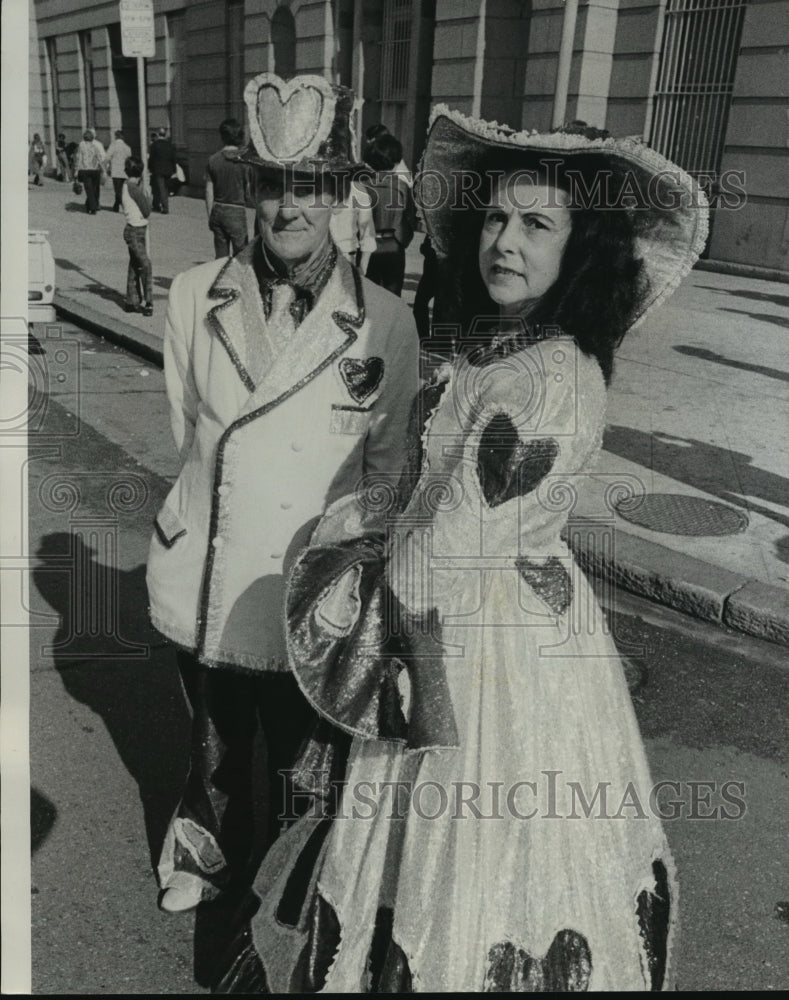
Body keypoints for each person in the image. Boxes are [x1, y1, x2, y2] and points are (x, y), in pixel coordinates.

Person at [219, 109, 710, 992]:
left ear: (581, 246)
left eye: (536, 224)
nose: (505, 242)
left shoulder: (550, 376)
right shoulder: (500, 350)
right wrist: (370, 522)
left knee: (481, 855)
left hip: (480, 646)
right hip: (466, 620)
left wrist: (347, 585)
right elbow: (421, 489)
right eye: (495, 217)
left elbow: (443, 548)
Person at [146, 72, 420, 917]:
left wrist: (357, 585)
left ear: (339, 196)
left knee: (306, 752)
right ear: (251, 193)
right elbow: (187, 424)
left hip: (312, 587)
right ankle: (203, 844)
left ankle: (297, 873)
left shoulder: (385, 321)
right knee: (216, 738)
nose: (288, 209)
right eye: (273, 188)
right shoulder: (194, 296)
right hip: (212, 571)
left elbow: (386, 473)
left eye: (309, 188)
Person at [361, 132, 417, 296]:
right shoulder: (402, 187)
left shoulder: (362, 184)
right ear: (397, 160)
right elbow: (409, 220)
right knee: (393, 296)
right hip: (393, 244)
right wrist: (402, 242)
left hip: (367, 245)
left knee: (368, 296)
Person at [204, 118, 252, 258]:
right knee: (241, 255)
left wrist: (210, 215)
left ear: (222, 136)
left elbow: (208, 190)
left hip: (217, 209)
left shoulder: (213, 160)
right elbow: (249, 191)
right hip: (236, 210)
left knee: (220, 257)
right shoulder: (244, 161)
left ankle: (221, 278)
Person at [120, 156, 154, 316]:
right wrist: (149, 197)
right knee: (146, 264)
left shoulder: (126, 185)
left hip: (132, 229)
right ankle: (148, 301)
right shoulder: (134, 188)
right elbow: (147, 210)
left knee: (135, 265)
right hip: (137, 230)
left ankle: (131, 301)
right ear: (140, 172)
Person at [329, 179, 377, 272]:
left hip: (347, 257)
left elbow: (367, 232)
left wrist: (363, 267)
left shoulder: (358, 191)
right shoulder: (315, 188)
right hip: (317, 260)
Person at [74, 128, 106, 214]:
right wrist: (103, 170)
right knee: (94, 189)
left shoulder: (81, 146)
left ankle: (92, 208)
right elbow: (99, 159)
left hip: (85, 170)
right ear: (92, 138)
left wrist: (76, 170)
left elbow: (79, 159)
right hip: (95, 171)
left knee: (89, 189)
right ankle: (90, 205)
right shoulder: (95, 146)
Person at [148, 125, 177, 214]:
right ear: (165, 134)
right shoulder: (170, 145)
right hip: (168, 170)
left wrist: (150, 168)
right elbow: (174, 158)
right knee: (163, 188)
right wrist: (174, 170)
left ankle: (165, 207)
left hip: (158, 170)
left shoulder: (154, 145)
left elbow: (151, 158)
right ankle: (156, 204)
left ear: (158, 134)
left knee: (161, 188)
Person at [105, 130, 133, 211]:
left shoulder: (113, 146)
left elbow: (107, 157)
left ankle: (122, 205)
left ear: (116, 136)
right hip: (125, 171)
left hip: (116, 170)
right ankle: (116, 205)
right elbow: (129, 159)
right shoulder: (127, 147)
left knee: (117, 190)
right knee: (122, 189)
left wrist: (106, 167)